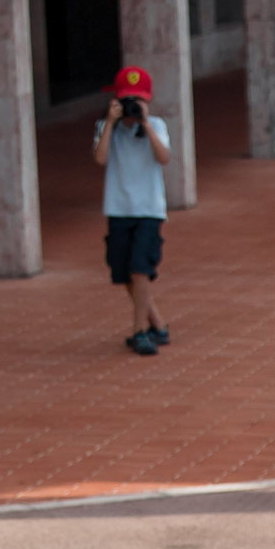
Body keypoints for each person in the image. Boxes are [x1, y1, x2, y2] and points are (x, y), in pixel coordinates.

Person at [93, 66, 173, 356]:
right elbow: (100, 159)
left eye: (137, 101)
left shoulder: (158, 125)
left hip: (149, 210)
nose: (132, 108)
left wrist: (146, 124)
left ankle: (139, 332)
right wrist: (111, 123)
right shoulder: (107, 129)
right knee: (126, 273)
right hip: (118, 209)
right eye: (127, 101)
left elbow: (164, 157)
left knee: (141, 269)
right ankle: (158, 324)